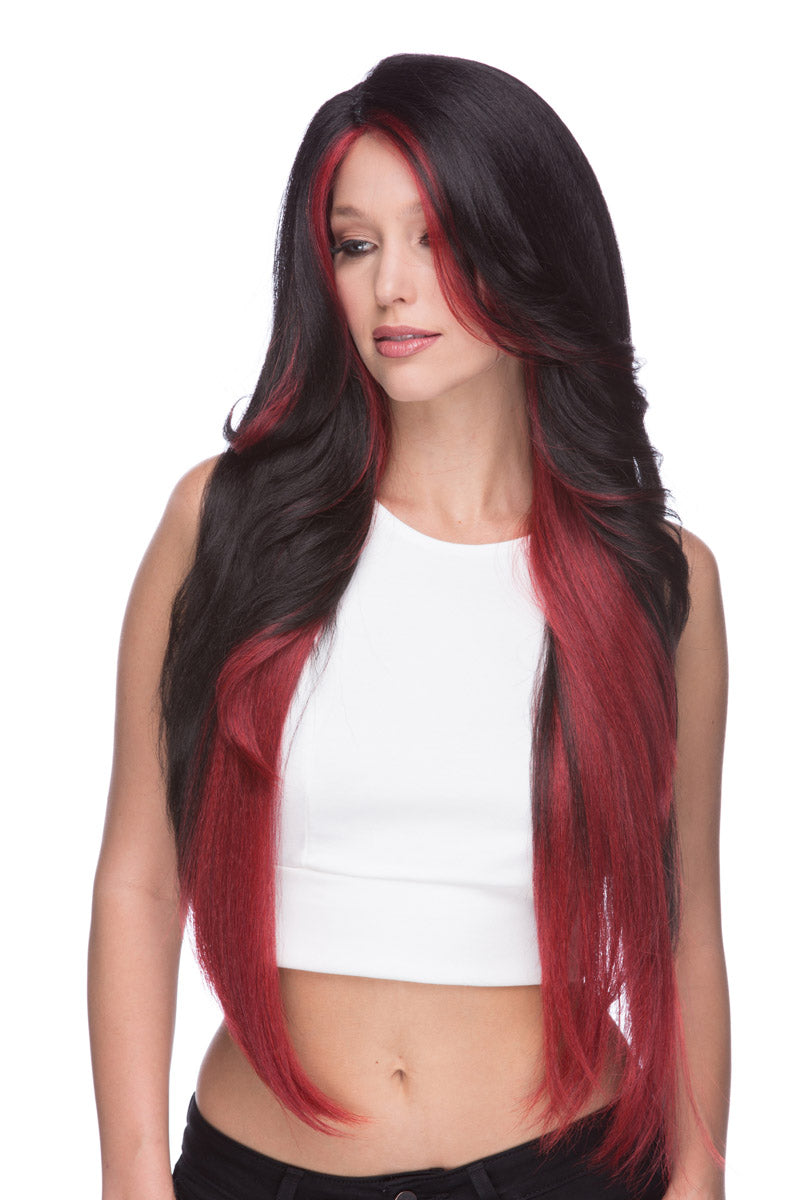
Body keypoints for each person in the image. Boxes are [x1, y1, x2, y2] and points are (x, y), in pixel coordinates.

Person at [88, 52, 730, 1200]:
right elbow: (140, 875)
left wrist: (700, 1177)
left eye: (434, 238)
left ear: (528, 246)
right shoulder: (224, 525)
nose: (391, 286)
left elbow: (684, 924)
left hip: (570, 1172)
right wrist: (133, 1176)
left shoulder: (655, 579)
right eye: (354, 244)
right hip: (264, 1175)